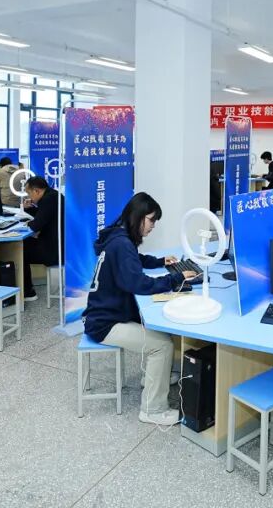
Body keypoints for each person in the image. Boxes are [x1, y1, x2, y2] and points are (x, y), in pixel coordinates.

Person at [83, 192, 197, 426]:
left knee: (159, 333)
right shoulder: (122, 244)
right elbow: (138, 284)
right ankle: (152, 410)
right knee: (163, 345)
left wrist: (160, 262)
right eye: (151, 220)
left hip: (104, 314)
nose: (153, 226)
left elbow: (134, 260)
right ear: (138, 217)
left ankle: (153, 377)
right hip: (104, 324)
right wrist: (175, 278)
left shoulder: (118, 237)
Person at [21, 175, 59, 301]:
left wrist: (26, 224)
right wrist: (29, 209)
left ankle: (28, 293)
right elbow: (43, 216)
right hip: (58, 244)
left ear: (36, 191)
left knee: (20, 251)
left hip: (55, 251)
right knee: (25, 243)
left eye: (29, 193)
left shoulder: (48, 200)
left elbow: (35, 226)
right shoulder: (53, 195)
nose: (29, 197)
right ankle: (27, 290)